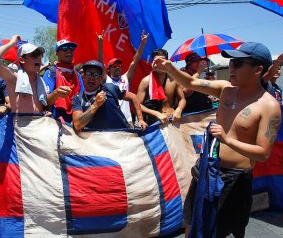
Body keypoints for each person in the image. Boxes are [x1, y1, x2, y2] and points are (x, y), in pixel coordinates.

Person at [152, 42, 281, 238]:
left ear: (258, 69)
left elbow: (263, 154)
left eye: (238, 63)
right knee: (192, 220)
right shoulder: (225, 89)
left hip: (235, 179)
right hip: (207, 167)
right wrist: (169, 68)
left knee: (222, 230)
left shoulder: (269, 106)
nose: (231, 67)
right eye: (230, 63)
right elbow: (190, 83)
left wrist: (227, 140)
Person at [72, 60, 147, 131]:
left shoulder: (110, 88)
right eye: (88, 74)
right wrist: (95, 105)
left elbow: (133, 97)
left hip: (121, 136)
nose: (92, 78)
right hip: (96, 140)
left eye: (96, 75)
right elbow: (78, 124)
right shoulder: (78, 98)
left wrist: (140, 119)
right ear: (83, 77)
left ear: (101, 78)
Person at [98, 31, 149, 126]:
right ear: (109, 69)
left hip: (127, 121)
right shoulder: (106, 80)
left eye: (119, 65)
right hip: (111, 121)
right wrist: (100, 45)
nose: (117, 67)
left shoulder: (126, 78)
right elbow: (100, 63)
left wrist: (142, 44)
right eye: (114, 65)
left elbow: (135, 61)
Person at [0, 35, 47, 114]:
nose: (39, 58)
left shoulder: (40, 80)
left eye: (40, 55)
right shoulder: (14, 77)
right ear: (22, 60)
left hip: (39, 122)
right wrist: (11, 43)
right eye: (34, 55)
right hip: (21, 125)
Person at [137, 48, 186, 125]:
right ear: (152, 63)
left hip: (172, 121)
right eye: (156, 61)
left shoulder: (173, 79)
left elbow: (182, 99)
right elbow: (137, 104)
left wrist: (179, 109)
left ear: (167, 62)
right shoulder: (146, 81)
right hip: (154, 123)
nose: (159, 63)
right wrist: (156, 113)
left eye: (162, 60)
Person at [43, 39, 84, 123]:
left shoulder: (77, 75)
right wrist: (56, 93)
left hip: (74, 122)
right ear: (57, 53)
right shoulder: (50, 72)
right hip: (55, 121)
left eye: (71, 49)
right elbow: (45, 101)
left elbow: (82, 98)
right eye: (64, 48)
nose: (69, 51)